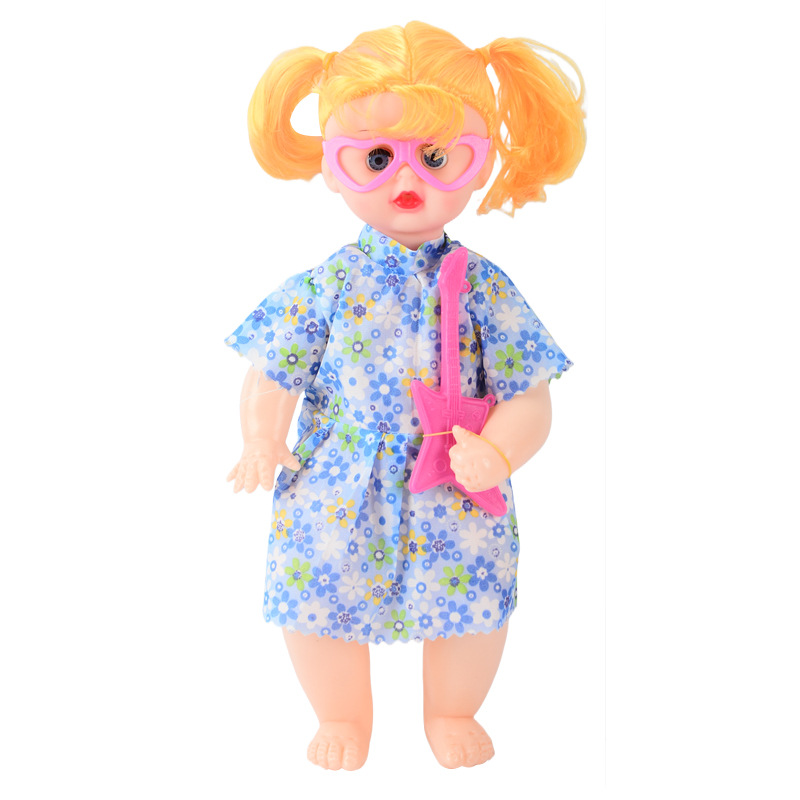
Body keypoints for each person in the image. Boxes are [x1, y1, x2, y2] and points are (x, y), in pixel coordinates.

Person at [225, 21, 585, 770]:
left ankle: (452, 709)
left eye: (438, 156)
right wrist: (262, 437)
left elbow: (530, 394)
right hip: (337, 477)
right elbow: (274, 370)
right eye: (376, 159)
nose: (407, 181)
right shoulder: (324, 287)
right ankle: (342, 714)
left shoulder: (483, 288)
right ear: (332, 167)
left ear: (481, 162)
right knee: (318, 596)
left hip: (456, 474)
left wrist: (500, 451)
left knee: (473, 599)